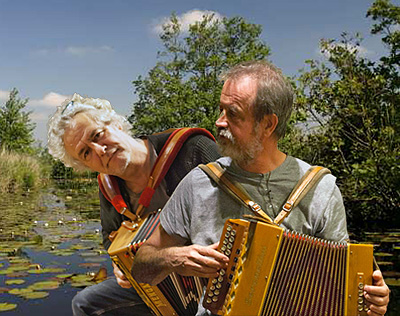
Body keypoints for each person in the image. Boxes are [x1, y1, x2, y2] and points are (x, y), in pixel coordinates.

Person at [132, 60, 390, 316]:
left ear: (268, 124)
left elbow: (343, 287)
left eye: (232, 114)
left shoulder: (319, 188)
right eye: (221, 110)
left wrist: (370, 303)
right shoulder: (199, 182)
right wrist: (175, 258)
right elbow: (141, 268)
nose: (220, 122)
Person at [47, 93, 221, 316]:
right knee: (85, 304)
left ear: (116, 123)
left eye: (98, 135)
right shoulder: (109, 188)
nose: (100, 151)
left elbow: (244, 202)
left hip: (218, 272)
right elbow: (110, 236)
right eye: (86, 153)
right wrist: (121, 265)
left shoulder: (192, 149)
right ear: (85, 165)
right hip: (162, 283)